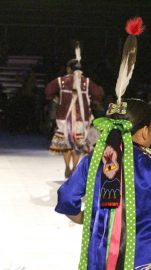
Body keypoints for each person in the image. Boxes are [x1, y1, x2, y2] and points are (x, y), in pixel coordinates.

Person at [55, 18, 151, 270]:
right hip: (143, 264)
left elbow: (67, 198)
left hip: (100, 259)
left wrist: (86, 219)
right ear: (142, 132)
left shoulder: (92, 161)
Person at [45, 43, 103, 178]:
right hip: (81, 119)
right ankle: (75, 168)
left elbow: (48, 90)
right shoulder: (86, 82)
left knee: (66, 142)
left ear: (68, 69)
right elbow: (98, 93)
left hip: (63, 117)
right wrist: (93, 100)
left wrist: (55, 98)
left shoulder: (61, 81)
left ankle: (67, 166)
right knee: (78, 143)